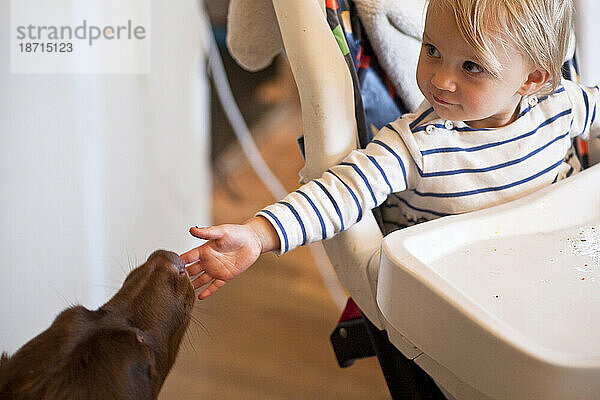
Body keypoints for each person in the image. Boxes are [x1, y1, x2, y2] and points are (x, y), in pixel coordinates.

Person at [182, 0, 599, 300]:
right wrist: (258, 235)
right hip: (464, 294)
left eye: (470, 67)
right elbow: (339, 193)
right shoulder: (416, 144)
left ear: (532, 79)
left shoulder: (561, 105)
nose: (441, 79)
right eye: (432, 50)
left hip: (554, 271)